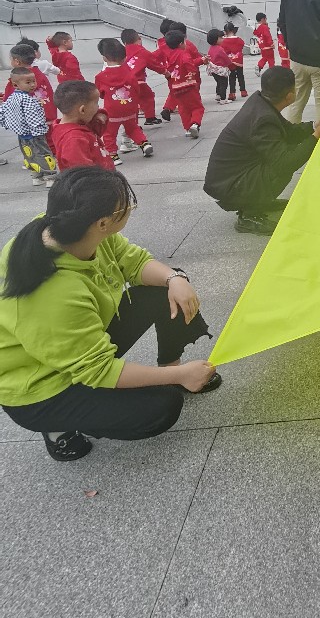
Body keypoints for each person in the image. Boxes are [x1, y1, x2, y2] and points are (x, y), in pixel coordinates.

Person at [0, 166, 219, 462]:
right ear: (103, 222)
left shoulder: (71, 227)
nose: (129, 210)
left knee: (164, 290)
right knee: (161, 408)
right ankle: (56, 426)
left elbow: (134, 261)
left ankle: (172, 367)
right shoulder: (54, 293)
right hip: (42, 387)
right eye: (126, 208)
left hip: (78, 344)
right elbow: (98, 369)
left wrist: (174, 278)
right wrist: (181, 375)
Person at [204, 66, 320, 236]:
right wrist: (315, 137)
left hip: (233, 177)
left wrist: (314, 126)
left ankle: (260, 201)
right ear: (290, 96)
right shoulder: (263, 118)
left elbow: (287, 132)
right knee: (282, 167)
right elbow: (285, 163)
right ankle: (248, 215)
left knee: (284, 153)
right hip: (231, 186)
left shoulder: (261, 102)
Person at [95, 39, 153, 165]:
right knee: (133, 128)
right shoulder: (130, 74)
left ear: (104, 58)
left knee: (109, 133)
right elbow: (136, 89)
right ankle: (144, 143)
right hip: (130, 107)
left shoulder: (100, 77)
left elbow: (100, 94)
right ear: (124, 58)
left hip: (112, 110)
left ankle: (113, 155)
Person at [0, 66, 57, 186]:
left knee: (29, 155)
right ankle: (50, 177)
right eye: (28, 82)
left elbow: (3, 112)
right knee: (44, 154)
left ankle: (36, 176)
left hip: (22, 135)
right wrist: (41, 129)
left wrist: (8, 124)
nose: (32, 85)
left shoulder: (12, 98)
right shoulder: (28, 100)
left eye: (33, 81)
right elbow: (33, 118)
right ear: (15, 85)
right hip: (35, 134)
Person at [51, 80, 114, 171]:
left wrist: (99, 115)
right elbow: (84, 172)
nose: (98, 107)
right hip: (98, 178)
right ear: (82, 110)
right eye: (96, 103)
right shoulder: (74, 139)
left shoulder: (77, 124)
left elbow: (97, 133)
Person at [5, 43, 57, 139]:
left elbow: (10, 98)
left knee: (34, 146)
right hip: (47, 116)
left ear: (17, 61)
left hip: (32, 123)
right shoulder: (38, 73)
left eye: (11, 59)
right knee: (49, 142)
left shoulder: (20, 79)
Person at [162, 28, 205, 138]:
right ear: (181, 44)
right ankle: (195, 124)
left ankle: (187, 128)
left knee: (183, 109)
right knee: (197, 107)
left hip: (176, 87)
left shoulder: (170, 56)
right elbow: (190, 65)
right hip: (188, 85)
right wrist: (192, 72)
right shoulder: (184, 54)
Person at [121, 28, 164, 127]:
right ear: (139, 39)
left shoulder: (121, 52)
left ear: (124, 43)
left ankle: (133, 124)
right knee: (148, 97)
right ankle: (150, 117)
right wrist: (165, 72)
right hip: (139, 82)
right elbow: (154, 65)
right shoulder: (142, 52)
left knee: (131, 102)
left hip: (124, 83)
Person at [205, 29, 233, 104]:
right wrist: (229, 63)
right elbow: (225, 58)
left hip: (213, 69)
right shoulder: (220, 49)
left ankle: (218, 95)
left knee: (219, 82)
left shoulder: (211, 48)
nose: (222, 39)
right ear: (216, 39)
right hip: (220, 69)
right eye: (221, 38)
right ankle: (223, 99)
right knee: (224, 83)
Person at [222, 22, 248, 101]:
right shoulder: (239, 40)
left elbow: (223, 49)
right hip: (239, 60)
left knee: (232, 77)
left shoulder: (224, 41)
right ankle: (243, 91)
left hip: (230, 60)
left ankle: (232, 93)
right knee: (240, 75)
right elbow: (242, 44)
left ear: (225, 31)